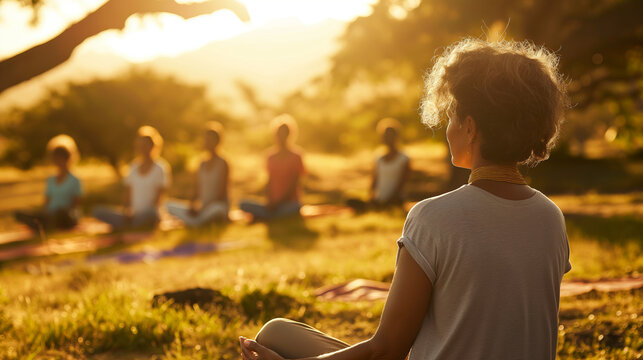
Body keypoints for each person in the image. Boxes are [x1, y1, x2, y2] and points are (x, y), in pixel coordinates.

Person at [239, 38, 572, 360]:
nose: (448, 126)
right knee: (283, 331)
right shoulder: (551, 217)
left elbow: (387, 351)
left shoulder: (434, 216)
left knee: (274, 334)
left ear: (470, 128)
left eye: (452, 115)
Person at [93, 126, 171, 230]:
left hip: (150, 213)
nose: (143, 148)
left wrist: (146, 212)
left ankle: (130, 224)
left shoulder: (160, 168)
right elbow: (127, 193)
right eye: (141, 145)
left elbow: (159, 198)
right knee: (97, 211)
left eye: (145, 145)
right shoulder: (133, 167)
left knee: (152, 214)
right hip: (133, 215)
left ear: (153, 146)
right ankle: (131, 223)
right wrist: (126, 211)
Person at [240, 114, 305, 221]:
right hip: (273, 203)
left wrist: (279, 203)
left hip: (290, 203)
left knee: (294, 208)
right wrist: (270, 201)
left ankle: (266, 216)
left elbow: (295, 183)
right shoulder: (270, 156)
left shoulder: (297, 156)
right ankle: (270, 215)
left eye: (284, 134)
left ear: (289, 135)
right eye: (279, 134)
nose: (281, 137)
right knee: (243, 204)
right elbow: (269, 181)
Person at [14, 135, 82, 233]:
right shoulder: (50, 180)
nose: (58, 161)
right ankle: (43, 223)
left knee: (60, 214)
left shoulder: (75, 180)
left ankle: (42, 224)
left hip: (66, 216)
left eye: (60, 158)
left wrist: (64, 211)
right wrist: (45, 212)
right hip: (50, 215)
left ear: (67, 158)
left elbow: (76, 203)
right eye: (56, 158)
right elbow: (47, 202)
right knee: (21, 214)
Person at [166, 122, 229, 226]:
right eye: (206, 139)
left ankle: (195, 222)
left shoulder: (223, 163)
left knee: (217, 209)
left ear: (217, 142)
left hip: (216, 206)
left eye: (210, 140)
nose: (207, 142)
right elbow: (197, 190)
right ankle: (197, 221)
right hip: (202, 208)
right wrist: (192, 206)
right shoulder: (201, 164)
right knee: (167, 205)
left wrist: (204, 208)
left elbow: (221, 194)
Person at [346, 118, 410, 211]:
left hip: (395, 199)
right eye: (385, 136)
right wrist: (371, 197)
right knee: (350, 200)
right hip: (379, 199)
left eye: (390, 135)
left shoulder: (404, 158)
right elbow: (374, 180)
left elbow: (402, 183)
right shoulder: (378, 157)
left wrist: (390, 198)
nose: (388, 138)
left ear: (396, 136)